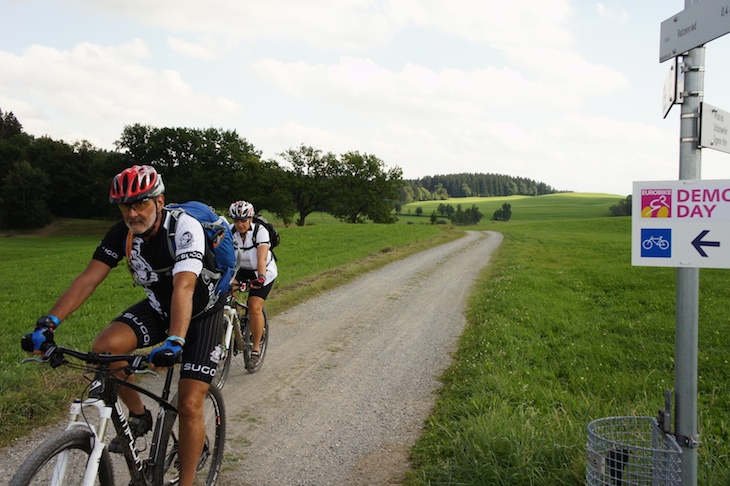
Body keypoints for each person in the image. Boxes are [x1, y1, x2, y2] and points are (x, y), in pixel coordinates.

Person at [21, 165, 225, 486]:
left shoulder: (183, 228)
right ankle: (140, 415)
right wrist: (48, 324)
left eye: (140, 203)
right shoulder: (123, 233)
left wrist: (174, 341)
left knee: (188, 403)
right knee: (105, 348)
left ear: (159, 201)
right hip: (159, 308)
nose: (132, 213)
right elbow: (89, 278)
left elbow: (184, 287)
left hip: (201, 314)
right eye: (125, 206)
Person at [228, 200, 278, 370]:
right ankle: (235, 322)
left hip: (261, 270)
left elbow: (262, 257)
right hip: (241, 269)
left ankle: (255, 349)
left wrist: (261, 277)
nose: (240, 224)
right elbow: (225, 255)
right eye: (236, 221)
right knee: (227, 295)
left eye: (243, 220)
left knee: (254, 306)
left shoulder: (260, 231)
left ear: (250, 218)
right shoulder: (230, 231)